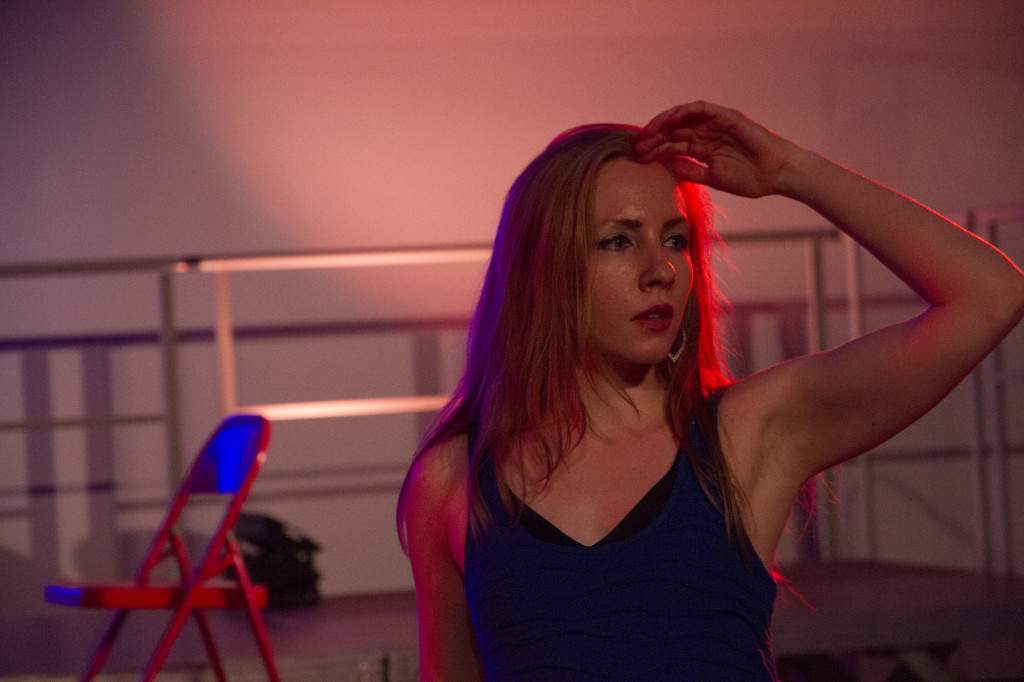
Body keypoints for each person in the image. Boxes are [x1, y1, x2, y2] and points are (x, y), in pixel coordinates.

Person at [396, 100, 1024, 681]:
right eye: (618, 241)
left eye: (676, 240)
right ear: (541, 266)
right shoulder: (453, 479)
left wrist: (791, 171)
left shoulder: (745, 434)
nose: (661, 270)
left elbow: (992, 296)